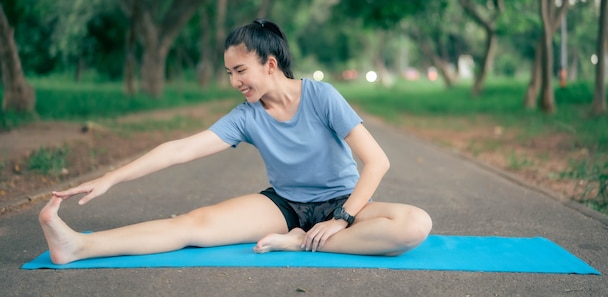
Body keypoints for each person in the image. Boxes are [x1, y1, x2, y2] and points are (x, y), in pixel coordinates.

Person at [39, 19, 432, 265]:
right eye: (229, 72)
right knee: (193, 225)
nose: (234, 81)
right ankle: (77, 247)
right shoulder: (246, 116)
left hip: (341, 201)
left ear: (270, 64)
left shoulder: (321, 96)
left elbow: (377, 161)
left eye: (240, 70)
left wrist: (342, 218)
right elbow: (180, 149)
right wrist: (110, 177)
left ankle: (299, 245)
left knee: (414, 225)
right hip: (285, 207)